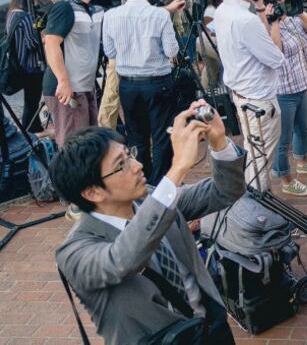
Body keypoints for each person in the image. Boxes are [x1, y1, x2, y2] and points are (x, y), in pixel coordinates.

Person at [52, 103, 244, 344]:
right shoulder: (74, 252)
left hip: (210, 327)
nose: (137, 166)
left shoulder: (149, 199)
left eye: (128, 154)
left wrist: (219, 142)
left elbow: (223, 191)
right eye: (121, 165)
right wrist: (179, 167)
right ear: (92, 193)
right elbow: (122, 258)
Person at [103, 0, 186, 185]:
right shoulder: (159, 15)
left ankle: (143, 180)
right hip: (157, 80)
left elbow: (110, 52)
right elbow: (171, 51)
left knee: (137, 136)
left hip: (128, 83)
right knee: (161, 135)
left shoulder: (111, 16)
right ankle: (160, 182)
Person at [213, 0, 285, 189]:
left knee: (254, 153)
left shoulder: (223, 10)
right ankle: (256, 210)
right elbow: (276, 58)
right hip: (259, 100)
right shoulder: (245, 20)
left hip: (242, 94)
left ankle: (256, 201)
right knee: (260, 162)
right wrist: (273, 25)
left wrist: (261, 6)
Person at [42, 0, 104, 147]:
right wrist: (63, 81)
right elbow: (51, 43)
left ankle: (88, 177)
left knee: (90, 144)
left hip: (85, 86)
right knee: (73, 147)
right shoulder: (65, 7)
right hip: (68, 89)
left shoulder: (92, 9)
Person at [273, 0, 307, 196]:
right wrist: (274, 20)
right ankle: (286, 179)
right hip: (283, 89)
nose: (284, 2)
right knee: (282, 138)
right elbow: (276, 50)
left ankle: (303, 162)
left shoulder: (294, 19)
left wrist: (298, 10)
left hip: (302, 83)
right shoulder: (266, 25)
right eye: (280, 0)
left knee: (303, 129)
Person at [5, 0, 45, 132]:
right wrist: (44, 34)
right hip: (31, 65)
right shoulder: (26, 17)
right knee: (32, 101)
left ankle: (32, 126)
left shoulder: (12, 14)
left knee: (30, 100)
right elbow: (32, 42)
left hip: (19, 63)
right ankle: (30, 129)